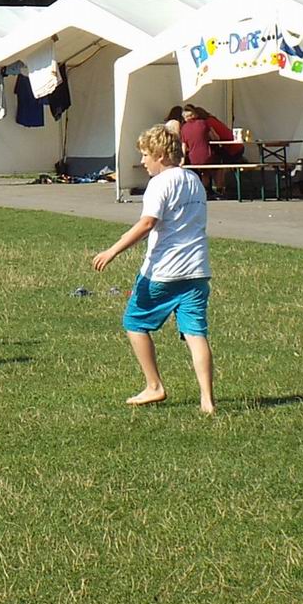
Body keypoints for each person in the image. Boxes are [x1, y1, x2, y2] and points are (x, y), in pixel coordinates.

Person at [91, 123, 215, 414]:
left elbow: (147, 223)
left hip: (163, 272)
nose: (143, 161)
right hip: (197, 270)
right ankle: (207, 400)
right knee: (196, 333)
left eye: (146, 155)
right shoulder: (194, 180)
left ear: (160, 155)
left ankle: (154, 385)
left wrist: (112, 250)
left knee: (134, 323)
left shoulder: (159, 184)